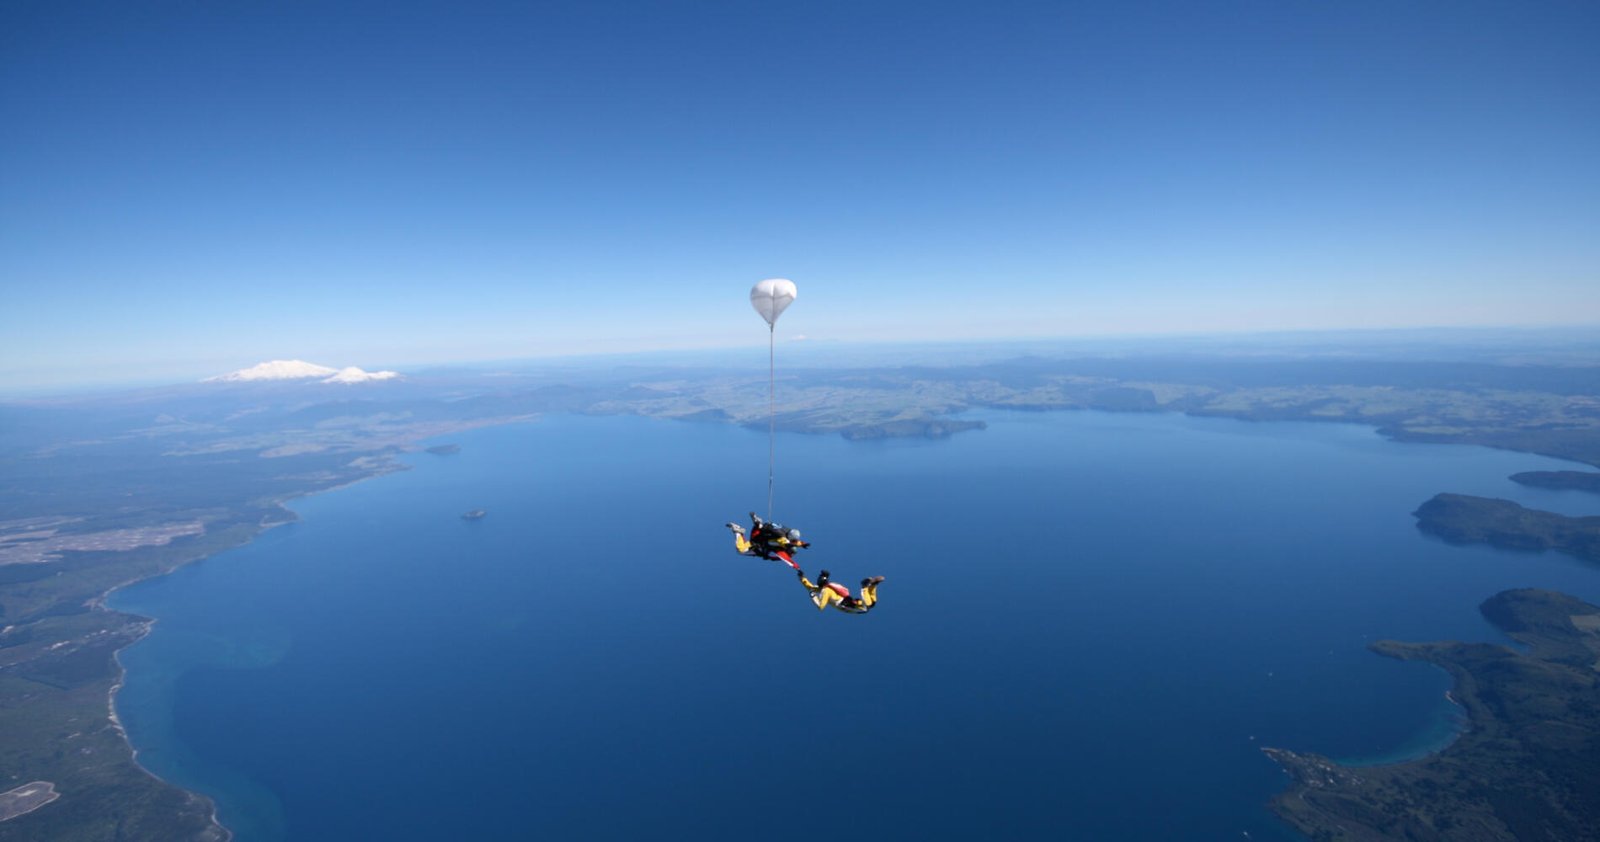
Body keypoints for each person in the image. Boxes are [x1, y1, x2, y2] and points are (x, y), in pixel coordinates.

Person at [726, 511, 809, 564]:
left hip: (759, 535)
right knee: (741, 550)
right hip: (758, 543)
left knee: (745, 547)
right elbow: (785, 544)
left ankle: (758, 524)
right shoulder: (783, 543)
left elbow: (794, 543)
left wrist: (802, 544)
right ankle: (738, 531)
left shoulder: (785, 533)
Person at [796, 568, 884, 614]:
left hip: (845, 600)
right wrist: (802, 578)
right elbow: (811, 589)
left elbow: (812, 590)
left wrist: (802, 578)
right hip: (845, 600)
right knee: (870, 604)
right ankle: (871, 586)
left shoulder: (826, 588)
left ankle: (870, 586)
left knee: (869, 605)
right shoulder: (826, 589)